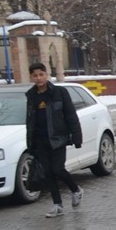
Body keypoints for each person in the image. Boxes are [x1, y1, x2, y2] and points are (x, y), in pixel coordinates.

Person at [24, 62, 83, 218]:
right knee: (48, 173)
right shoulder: (31, 96)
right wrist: (30, 143)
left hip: (58, 138)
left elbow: (71, 115)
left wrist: (76, 136)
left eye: (41, 74)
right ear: (31, 77)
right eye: (35, 76)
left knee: (58, 169)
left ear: (47, 74)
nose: (38, 78)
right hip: (40, 140)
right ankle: (57, 205)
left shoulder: (59, 92)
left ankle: (76, 190)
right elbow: (29, 120)